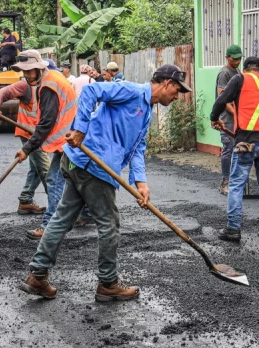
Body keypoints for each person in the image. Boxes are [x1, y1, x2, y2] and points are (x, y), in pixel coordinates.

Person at [18, 64, 191, 302]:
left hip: (81, 163)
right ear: (167, 83)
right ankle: (108, 283)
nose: (177, 96)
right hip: (93, 165)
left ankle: (37, 275)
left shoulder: (147, 111)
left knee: (61, 219)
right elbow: (90, 92)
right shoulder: (130, 91)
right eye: (177, 90)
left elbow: (138, 148)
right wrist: (80, 128)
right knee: (109, 224)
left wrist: (140, 182)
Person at [6, 51, 79, 241]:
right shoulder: (52, 78)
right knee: (73, 181)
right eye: (24, 72)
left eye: (30, 71)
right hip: (72, 138)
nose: (26, 75)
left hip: (69, 140)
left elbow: (46, 123)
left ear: (39, 68)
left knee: (54, 179)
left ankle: (50, 227)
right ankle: (83, 214)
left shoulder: (48, 86)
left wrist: (27, 148)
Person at [211, 57, 259, 242]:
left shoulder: (240, 79)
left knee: (236, 184)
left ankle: (233, 229)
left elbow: (221, 99)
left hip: (246, 143)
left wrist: (214, 117)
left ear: (245, 68)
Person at [0, 80, 49, 216]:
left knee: (36, 169)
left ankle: (25, 200)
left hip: (38, 134)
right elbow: (3, 92)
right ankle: (56, 207)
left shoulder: (49, 87)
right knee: (47, 170)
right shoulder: (26, 86)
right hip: (29, 134)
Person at [216, 44, 243, 195]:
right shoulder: (224, 73)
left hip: (237, 118)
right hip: (227, 118)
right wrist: (235, 113)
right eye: (235, 58)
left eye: (239, 58)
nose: (238, 61)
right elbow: (222, 97)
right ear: (227, 57)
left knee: (238, 149)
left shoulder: (237, 71)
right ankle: (225, 182)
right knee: (228, 148)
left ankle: (236, 181)